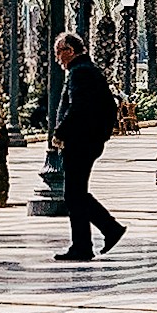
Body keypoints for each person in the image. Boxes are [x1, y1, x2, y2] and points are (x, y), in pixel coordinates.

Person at [52, 28, 125, 262]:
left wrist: (60, 132)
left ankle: (91, 240)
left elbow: (78, 108)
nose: (57, 59)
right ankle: (99, 235)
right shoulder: (87, 70)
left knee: (74, 194)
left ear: (70, 51)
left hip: (80, 141)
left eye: (58, 52)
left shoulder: (80, 73)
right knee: (76, 194)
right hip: (88, 140)